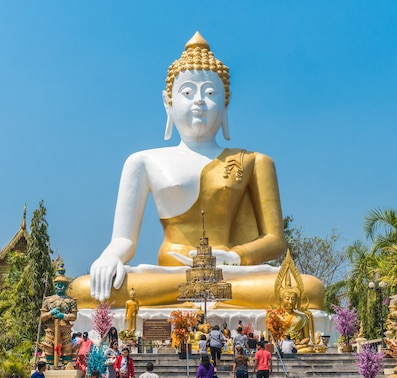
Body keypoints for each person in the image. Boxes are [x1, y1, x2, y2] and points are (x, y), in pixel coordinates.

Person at [72, 32, 325, 311]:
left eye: (210, 93)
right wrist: (109, 257)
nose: (199, 102)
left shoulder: (254, 161)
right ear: (168, 103)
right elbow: (123, 240)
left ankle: (210, 296)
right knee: (85, 289)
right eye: (188, 92)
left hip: (231, 272)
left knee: (309, 289)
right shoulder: (143, 161)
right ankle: (215, 299)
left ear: (226, 104)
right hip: (171, 273)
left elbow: (275, 240)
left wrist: (234, 257)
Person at [40, 264, 78, 366]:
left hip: (65, 328)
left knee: (67, 348)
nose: (60, 286)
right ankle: (50, 366)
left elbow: (74, 316)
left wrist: (63, 316)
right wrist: (50, 313)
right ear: (54, 285)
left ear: (66, 286)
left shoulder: (70, 301)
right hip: (51, 329)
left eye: (62, 284)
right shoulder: (48, 300)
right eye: (58, 284)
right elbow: (42, 317)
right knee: (48, 347)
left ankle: (67, 366)